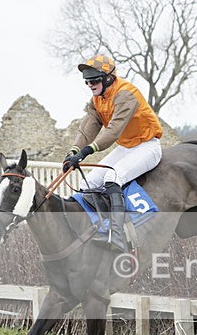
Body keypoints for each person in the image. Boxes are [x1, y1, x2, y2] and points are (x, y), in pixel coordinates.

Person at [63, 54, 163, 252]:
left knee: (112, 177)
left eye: (94, 81)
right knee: (88, 183)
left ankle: (117, 236)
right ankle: (98, 228)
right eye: (87, 82)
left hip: (147, 146)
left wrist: (86, 151)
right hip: (126, 148)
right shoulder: (97, 99)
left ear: (108, 78)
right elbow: (88, 127)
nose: (90, 85)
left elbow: (113, 130)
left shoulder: (126, 94)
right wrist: (73, 151)